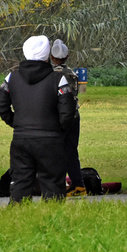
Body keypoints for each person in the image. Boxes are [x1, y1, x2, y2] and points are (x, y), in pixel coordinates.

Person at [0, 35, 76, 203]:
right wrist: (57, 129)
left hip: (21, 139)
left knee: (21, 183)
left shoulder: (12, 78)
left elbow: (0, 106)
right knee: (53, 184)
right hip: (50, 140)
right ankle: (54, 221)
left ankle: (18, 221)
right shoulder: (58, 79)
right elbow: (67, 113)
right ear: (47, 55)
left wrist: (17, 122)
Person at [50, 40, 86, 197]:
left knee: (55, 152)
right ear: (67, 56)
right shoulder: (73, 74)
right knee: (71, 151)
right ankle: (78, 185)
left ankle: (57, 185)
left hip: (57, 117)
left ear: (51, 56)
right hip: (73, 116)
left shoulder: (50, 75)